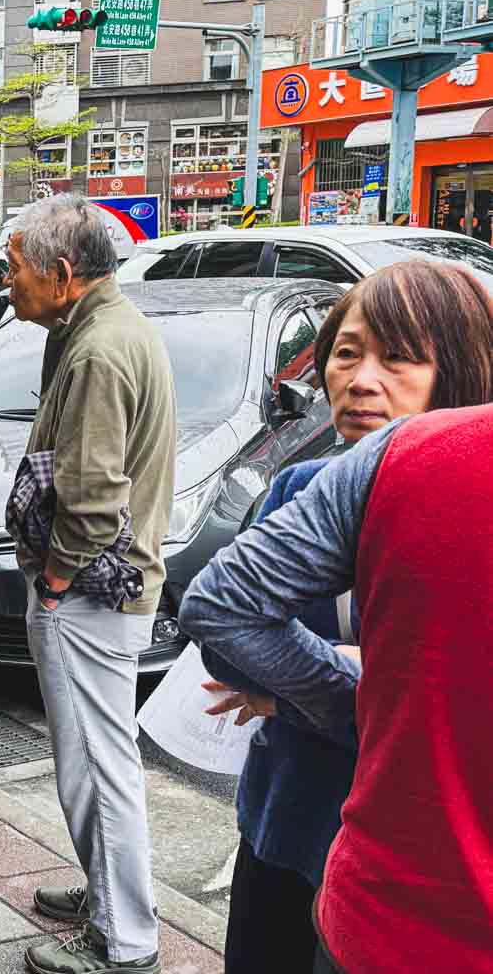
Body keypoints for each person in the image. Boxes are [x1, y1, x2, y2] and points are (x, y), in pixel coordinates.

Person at [181, 262, 493, 974]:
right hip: (291, 819)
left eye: (400, 358)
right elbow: (226, 627)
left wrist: (345, 689)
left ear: (467, 366)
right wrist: (346, 689)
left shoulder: (465, 496)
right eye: (346, 353)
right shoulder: (301, 486)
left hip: (423, 852)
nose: (361, 379)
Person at [0, 194, 174, 974]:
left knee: (98, 765)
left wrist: (59, 581)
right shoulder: (100, 328)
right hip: (103, 587)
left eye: (14, 268)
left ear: (62, 274)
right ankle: (109, 893)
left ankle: (126, 939)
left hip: (95, 592)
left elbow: (96, 499)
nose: (7, 283)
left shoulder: (100, 349)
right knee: (97, 761)